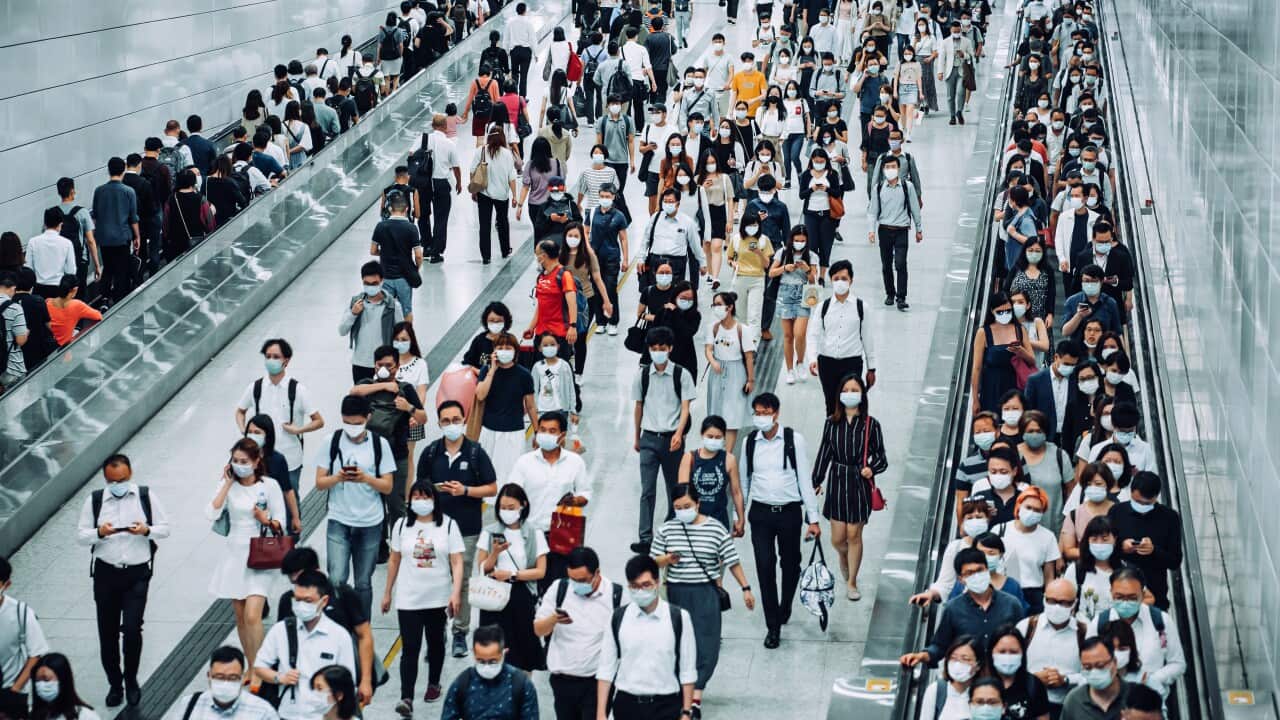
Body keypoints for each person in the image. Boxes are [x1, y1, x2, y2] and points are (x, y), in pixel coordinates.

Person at [74, 454, 169, 709]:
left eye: (123, 479)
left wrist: (146, 530)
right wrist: (99, 533)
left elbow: (165, 528)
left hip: (136, 574)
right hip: (106, 575)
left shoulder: (145, 496)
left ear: (131, 474)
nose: (118, 484)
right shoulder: (94, 501)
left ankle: (132, 680)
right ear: (105, 479)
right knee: (107, 633)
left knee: (131, 629)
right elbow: (81, 536)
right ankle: (115, 684)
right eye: (112, 481)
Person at [652, 486, 755, 712]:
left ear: (697, 504)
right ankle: (681, 695)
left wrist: (745, 588)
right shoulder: (667, 529)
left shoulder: (715, 529)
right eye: (677, 508)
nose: (682, 511)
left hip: (705, 593)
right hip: (675, 593)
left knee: (706, 644)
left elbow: (732, 559)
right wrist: (667, 559)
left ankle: (695, 699)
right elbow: (651, 562)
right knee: (675, 643)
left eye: (686, 506)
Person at [415, 400, 498, 657]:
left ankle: (460, 631)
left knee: (461, 582)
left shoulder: (475, 453)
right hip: (436, 528)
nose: (451, 424)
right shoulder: (430, 453)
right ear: (439, 423)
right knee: (437, 580)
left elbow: (492, 488)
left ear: (464, 420)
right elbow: (418, 491)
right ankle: (437, 631)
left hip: (467, 528)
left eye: (455, 419)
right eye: (446, 420)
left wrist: (466, 491)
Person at [741, 392, 822, 648]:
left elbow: (804, 481)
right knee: (765, 566)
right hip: (761, 513)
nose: (760, 417)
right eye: (757, 413)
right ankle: (772, 625)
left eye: (765, 413)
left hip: (789, 512)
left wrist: (813, 518)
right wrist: (739, 515)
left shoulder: (792, 440)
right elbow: (743, 481)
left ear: (776, 413)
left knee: (791, 564)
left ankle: (785, 603)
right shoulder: (749, 442)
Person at [382, 480, 464, 712]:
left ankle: (434, 682)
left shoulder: (448, 526)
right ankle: (406, 697)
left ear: (434, 500)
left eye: (425, 497)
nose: (420, 501)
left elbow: (456, 562)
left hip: (438, 596)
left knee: (435, 642)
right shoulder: (400, 526)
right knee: (410, 647)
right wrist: (387, 591)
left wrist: (455, 593)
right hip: (409, 597)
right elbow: (395, 559)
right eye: (416, 497)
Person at [208, 439, 286, 675]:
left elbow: (280, 521)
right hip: (234, 555)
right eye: (235, 461)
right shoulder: (228, 486)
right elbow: (211, 512)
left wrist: (266, 520)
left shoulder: (269, 486)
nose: (239, 465)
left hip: (260, 555)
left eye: (244, 461)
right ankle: (252, 667)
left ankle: (262, 668)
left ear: (256, 461)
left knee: (253, 615)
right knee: (241, 617)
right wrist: (226, 483)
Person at [316, 395, 395, 617]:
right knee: (337, 579)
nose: (352, 428)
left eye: (357, 423)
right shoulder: (330, 442)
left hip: (370, 522)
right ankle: (336, 626)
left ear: (368, 418)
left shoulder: (380, 445)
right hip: (339, 520)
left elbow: (388, 486)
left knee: (363, 582)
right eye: (347, 423)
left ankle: (362, 631)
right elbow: (320, 482)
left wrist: (366, 479)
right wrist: (338, 477)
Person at [812, 373, 887, 599]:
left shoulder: (871, 425)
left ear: (863, 395)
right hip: (837, 480)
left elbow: (882, 457)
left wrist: (871, 469)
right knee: (837, 538)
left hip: (858, 482)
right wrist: (815, 480)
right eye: (847, 390)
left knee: (854, 533)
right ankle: (843, 556)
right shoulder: (831, 423)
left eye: (855, 390)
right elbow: (824, 452)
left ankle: (852, 581)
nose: (851, 394)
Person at [595, 555, 696, 720]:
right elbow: (606, 668)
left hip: (665, 705)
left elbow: (688, 670)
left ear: (657, 582)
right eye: (634, 586)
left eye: (646, 585)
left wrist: (686, 712)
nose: (640, 591)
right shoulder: (618, 618)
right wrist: (601, 713)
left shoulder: (678, 618)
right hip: (627, 704)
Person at [350, 346, 426, 561]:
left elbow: (423, 418)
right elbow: (353, 392)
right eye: (380, 365)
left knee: (396, 504)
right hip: (370, 457)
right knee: (373, 504)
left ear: (397, 366)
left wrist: (408, 408)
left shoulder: (407, 389)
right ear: (374, 365)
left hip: (397, 456)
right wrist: (385, 385)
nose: (384, 368)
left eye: (389, 366)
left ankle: (399, 545)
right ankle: (380, 547)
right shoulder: (367, 385)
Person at [275, 549, 375, 704]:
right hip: (301, 686)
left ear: (316, 571)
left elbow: (364, 635)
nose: (297, 585)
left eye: (301, 578)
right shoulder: (287, 601)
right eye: (293, 581)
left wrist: (366, 681)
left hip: (339, 684)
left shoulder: (343, 595)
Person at [505, 411, 591, 591]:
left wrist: (575, 500)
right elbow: (510, 495)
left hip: (562, 535)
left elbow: (586, 493)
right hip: (531, 536)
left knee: (559, 586)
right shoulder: (524, 463)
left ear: (562, 436)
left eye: (552, 431)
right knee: (529, 585)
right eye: (542, 430)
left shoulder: (575, 462)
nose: (545, 434)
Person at [254, 572, 357, 720]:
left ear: (324, 601)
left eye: (308, 600)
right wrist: (279, 677)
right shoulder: (280, 630)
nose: (301, 605)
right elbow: (259, 666)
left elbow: (348, 682)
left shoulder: (339, 636)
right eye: (297, 600)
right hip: (288, 713)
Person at [533, 547, 621, 720]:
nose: (577, 584)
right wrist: (553, 619)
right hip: (562, 680)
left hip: (596, 683)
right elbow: (538, 629)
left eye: (582, 580)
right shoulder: (559, 588)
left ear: (597, 573)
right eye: (572, 579)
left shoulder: (615, 595)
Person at [900, 548, 1026, 668]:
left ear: (987, 570)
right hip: (969, 678)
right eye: (969, 573)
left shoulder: (1011, 604)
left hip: (1004, 677)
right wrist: (922, 656)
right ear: (961, 579)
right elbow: (940, 645)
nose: (976, 576)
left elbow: (1023, 642)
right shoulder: (953, 608)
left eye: (980, 570)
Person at [631, 326, 697, 554]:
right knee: (647, 490)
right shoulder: (642, 375)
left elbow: (686, 408)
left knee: (675, 489)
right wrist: (636, 435)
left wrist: (679, 434)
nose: (657, 352)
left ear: (670, 349)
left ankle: (671, 531)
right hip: (649, 437)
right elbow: (638, 406)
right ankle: (645, 537)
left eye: (662, 348)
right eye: (653, 348)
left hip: (672, 440)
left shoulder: (681, 374)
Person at [237, 338, 324, 499]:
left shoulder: (298, 390)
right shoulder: (255, 388)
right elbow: (240, 411)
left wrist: (298, 429)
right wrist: (245, 431)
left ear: (287, 360)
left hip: (289, 458)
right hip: (259, 458)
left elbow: (318, 420)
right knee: (258, 500)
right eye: (268, 356)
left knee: (289, 499)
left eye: (276, 357)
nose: (271, 360)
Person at [476, 485, 548, 672]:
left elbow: (540, 571)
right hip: (494, 596)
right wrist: (495, 553)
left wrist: (512, 575)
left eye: (511, 507)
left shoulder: (534, 533)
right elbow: (482, 567)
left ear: (523, 506)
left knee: (523, 649)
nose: (506, 512)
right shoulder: (490, 532)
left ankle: (522, 693)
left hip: (520, 594)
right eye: (502, 507)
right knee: (494, 646)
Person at [805, 260, 876, 414]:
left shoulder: (861, 307)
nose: (840, 282)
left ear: (851, 280)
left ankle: (851, 436)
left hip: (852, 362)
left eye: (844, 278)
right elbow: (813, 335)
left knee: (851, 406)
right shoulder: (823, 307)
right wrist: (812, 359)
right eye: (836, 279)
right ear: (831, 280)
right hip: (827, 363)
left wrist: (872, 368)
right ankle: (832, 436)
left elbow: (867, 338)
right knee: (831, 405)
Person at [1106, 473, 1182, 611]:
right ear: (1131, 492)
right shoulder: (1117, 512)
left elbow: (1175, 561)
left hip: (1155, 594)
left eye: (1146, 503)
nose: (1141, 506)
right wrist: (1121, 547)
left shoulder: (1170, 517)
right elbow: (1104, 549)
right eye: (1137, 501)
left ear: (1156, 497)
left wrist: (1154, 551)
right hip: (1120, 590)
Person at [1017, 579, 1087, 715]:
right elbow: (1011, 669)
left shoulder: (1084, 632)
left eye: (1064, 603)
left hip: (1068, 708)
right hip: (1030, 706)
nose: (1057, 607)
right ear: (1044, 599)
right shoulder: (1025, 628)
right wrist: (1033, 679)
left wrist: (1066, 680)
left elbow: (1092, 674)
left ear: (1074, 603)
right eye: (1052, 601)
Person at [440, 625, 539, 720]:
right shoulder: (462, 684)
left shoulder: (521, 684)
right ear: (474, 654)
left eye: (493, 661)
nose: (486, 666)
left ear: (503, 653)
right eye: (481, 661)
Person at [476, 332, 537, 481]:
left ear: (515, 350)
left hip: (513, 432)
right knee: (487, 475)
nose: (504, 350)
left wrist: (537, 431)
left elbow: (531, 406)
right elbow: (480, 395)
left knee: (511, 476)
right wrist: (492, 370)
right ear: (494, 351)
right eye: (500, 347)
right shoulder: (486, 371)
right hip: (489, 431)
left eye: (508, 347)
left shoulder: (524, 375)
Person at [867, 154, 924, 310]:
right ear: (883, 170)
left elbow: (915, 208)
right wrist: (871, 231)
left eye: (893, 167)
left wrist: (919, 229)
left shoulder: (907, 187)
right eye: (887, 167)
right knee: (886, 265)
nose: (890, 170)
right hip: (884, 229)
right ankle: (890, 294)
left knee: (900, 263)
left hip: (901, 231)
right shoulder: (878, 188)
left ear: (899, 169)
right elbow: (872, 211)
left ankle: (901, 297)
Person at [163, 645, 277, 720]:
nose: (225, 683)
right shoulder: (189, 705)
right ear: (209, 676)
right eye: (220, 677)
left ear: (242, 678)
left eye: (233, 678)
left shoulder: (263, 712)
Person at [704, 291, 757, 449]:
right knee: (716, 411)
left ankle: (728, 454)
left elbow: (748, 357)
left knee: (732, 416)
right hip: (717, 373)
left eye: (719, 304)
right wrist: (713, 361)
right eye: (714, 304)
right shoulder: (713, 328)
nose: (716, 308)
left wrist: (750, 380)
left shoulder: (743, 330)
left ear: (730, 307)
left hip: (736, 372)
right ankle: (717, 449)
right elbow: (708, 349)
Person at [971, 292, 1034, 414]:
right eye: (1000, 312)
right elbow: (976, 368)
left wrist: (1021, 352)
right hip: (991, 386)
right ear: (992, 311)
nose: (1005, 314)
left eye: (1008, 311)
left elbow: (1032, 360)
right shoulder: (983, 332)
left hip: (1015, 385)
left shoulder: (1019, 329)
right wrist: (975, 399)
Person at [90, 158, 141, 303]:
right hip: (122, 237)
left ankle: (105, 298)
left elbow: (95, 215)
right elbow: (133, 218)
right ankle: (119, 300)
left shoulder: (99, 191)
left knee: (108, 268)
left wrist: (94, 236)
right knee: (121, 270)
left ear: (108, 170)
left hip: (104, 238)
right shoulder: (128, 191)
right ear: (123, 169)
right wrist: (137, 236)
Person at [370, 193, 422, 323]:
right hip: (404, 277)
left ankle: (387, 337)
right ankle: (406, 337)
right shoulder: (412, 228)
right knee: (407, 310)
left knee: (385, 310)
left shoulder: (381, 226)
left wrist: (384, 253)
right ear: (406, 209)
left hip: (386, 276)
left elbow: (373, 251)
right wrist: (416, 268)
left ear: (389, 209)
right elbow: (418, 255)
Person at [472, 127, 520, 264]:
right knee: (503, 221)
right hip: (502, 194)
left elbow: (472, 170)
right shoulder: (507, 154)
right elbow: (512, 176)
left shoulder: (480, 151)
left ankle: (486, 256)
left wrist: (474, 189)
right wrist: (515, 196)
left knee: (485, 225)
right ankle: (505, 250)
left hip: (484, 193)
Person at [419, 115, 463, 263]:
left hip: (424, 183)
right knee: (441, 218)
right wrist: (458, 182)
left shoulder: (423, 139)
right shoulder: (449, 144)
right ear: (445, 127)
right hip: (441, 183)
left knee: (423, 215)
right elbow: (456, 166)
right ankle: (436, 252)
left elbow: (412, 155)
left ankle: (426, 246)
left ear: (432, 125)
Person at [986, 625, 1053, 719]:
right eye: (1002, 651)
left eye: (1013, 652)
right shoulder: (981, 683)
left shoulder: (1033, 685)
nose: (1007, 657)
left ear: (1022, 654)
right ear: (991, 653)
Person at [797, 148, 844, 281]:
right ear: (812, 161)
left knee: (825, 245)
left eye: (821, 161)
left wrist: (827, 189)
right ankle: (812, 273)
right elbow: (801, 195)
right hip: (811, 214)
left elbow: (837, 193)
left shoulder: (832, 174)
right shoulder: (806, 175)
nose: (819, 163)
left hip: (828, 215)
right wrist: (811, 189)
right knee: (811, 245)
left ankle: (822, 275)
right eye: (816, 161)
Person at [1060, 638, 1130, 720]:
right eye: (1087, 667)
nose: (1094, 672)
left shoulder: (1135, 696)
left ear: (1114, 662)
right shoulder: (1074, 700)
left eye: (1100, 666)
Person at [918, 636, 982, 720]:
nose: (958, 664)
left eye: (965, 659)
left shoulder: (983, 692)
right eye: (953, 658)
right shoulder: (936, 690)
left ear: (978, 665)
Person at [27, 208, 77, 299]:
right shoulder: (67, 243)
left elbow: (28, 268)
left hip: (38, 289)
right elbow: (71, 271)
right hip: (58, 289)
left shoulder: (32, 242)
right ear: (60, 224)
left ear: (45, 224)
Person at [45, 274, 101, 346]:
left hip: (50, 346)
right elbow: (98, 316)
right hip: (66, 348)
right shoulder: (77, 305)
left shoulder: (47, 302)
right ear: (75, 289)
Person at [938, 21, 975, 124]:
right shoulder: (945, 42)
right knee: (950, 95)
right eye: (954, 31)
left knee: (960, 92)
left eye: (958, 31)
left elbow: (972, 56)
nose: (956, 33)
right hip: (950, 71)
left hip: (962, 70)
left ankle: (959, 111)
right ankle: (952, 116)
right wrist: (940, 71)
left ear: (961, 29)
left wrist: (964, 55)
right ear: (951, 30)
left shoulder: (967, 42)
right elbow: (942, 58)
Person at [507, 3, 537, 97]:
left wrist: (507, 51)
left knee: (515, 75)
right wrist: (535, 54)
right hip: (526, 51)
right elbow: (532, 39)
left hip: (514, 51)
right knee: (524, 76)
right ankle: (522, 98)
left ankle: (514, 96)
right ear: (524, 11)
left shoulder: (510, 22)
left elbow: (506, 38)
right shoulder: (528, 23)